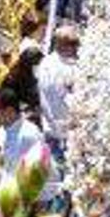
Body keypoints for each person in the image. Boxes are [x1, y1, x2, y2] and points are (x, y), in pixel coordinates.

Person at [37, 26, 80, 165]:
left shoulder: (74, 63)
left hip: (71, 130)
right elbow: (49, 97)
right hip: (58, 131)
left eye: (76, 43)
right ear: (59, 43)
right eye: (72, 43)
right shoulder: (49, 65)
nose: (76, 47)